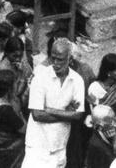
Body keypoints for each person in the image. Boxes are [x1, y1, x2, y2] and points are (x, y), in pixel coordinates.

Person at [24, 37, 85, 168]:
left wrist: (49, 110)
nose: (55, 63)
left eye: (60, 59)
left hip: (59, 145)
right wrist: (67, 113)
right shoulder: (40, 77)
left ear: (70, 59)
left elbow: (78, 115)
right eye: (53, 58)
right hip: (37, 145)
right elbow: (37, 115)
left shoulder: (77, 81)